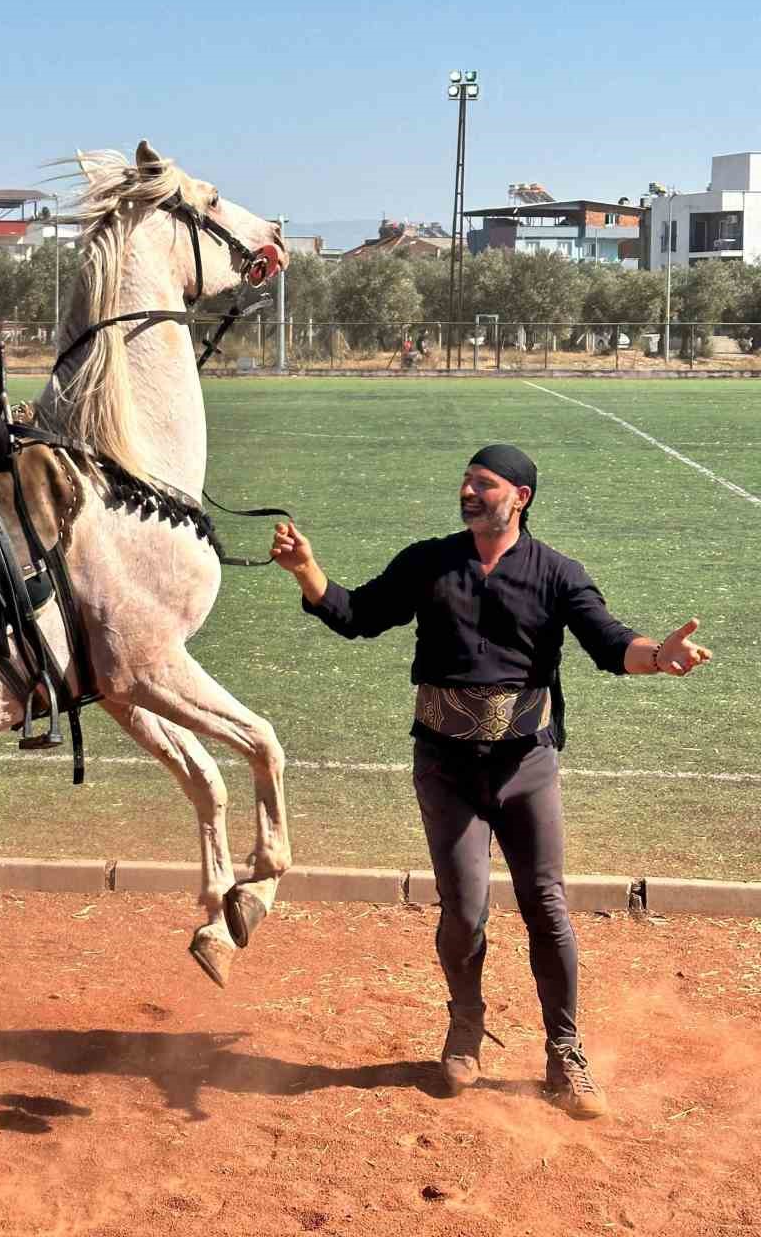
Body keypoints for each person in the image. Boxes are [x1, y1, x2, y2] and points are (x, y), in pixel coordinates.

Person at [270, 444, 711, 1119]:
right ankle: (465, 1026)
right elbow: (359, 615)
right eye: (467, 482)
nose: (469, 491)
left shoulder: (558, 573)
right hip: (444, 767)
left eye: (485, 483)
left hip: (525, 766)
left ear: (521, 497)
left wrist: (660, 657)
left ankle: (565, 1055)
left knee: (547, 907)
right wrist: (307, 571)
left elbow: (609, 641)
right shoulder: (430, 561)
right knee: (465, 908)